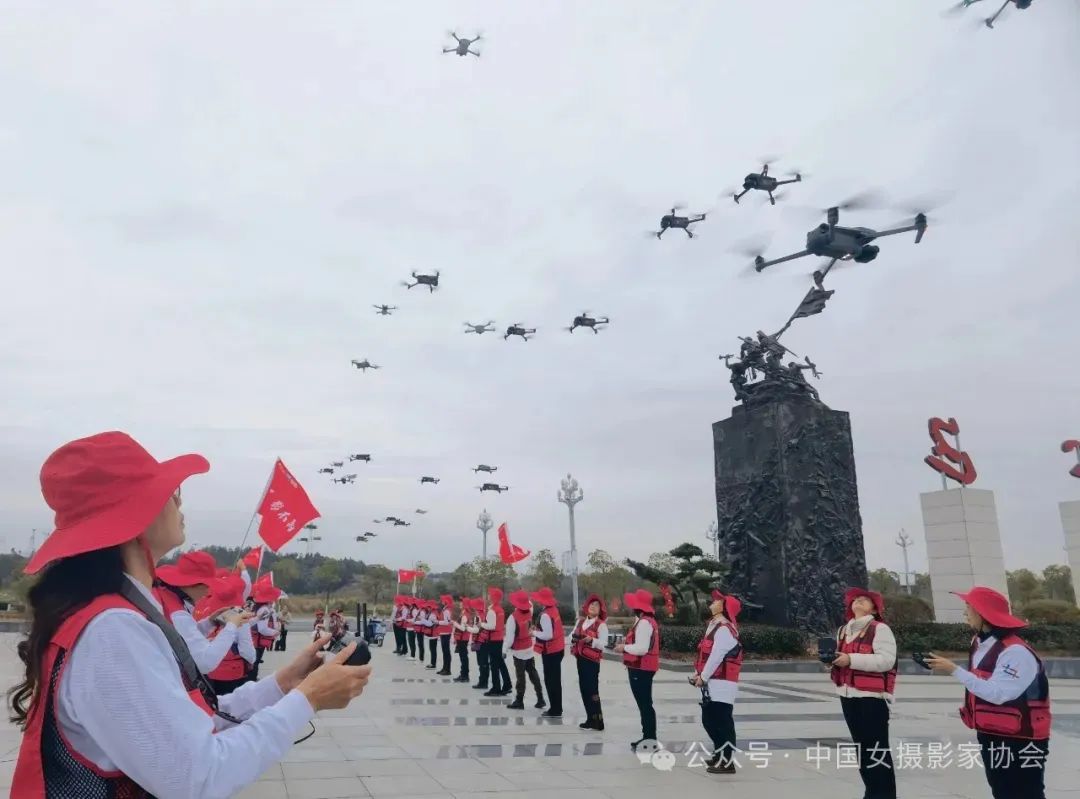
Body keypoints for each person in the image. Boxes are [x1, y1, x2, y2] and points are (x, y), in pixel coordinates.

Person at [7, 431, 372, 798]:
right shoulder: (112, 630)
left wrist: (284, 685)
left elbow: (188, 721)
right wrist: (308, 699)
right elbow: (199, 777)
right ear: (134, 516)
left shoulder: (111, 614)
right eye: (170, 493)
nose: (179, 503)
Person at [926, 587, 1051, 799]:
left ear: (984, 614)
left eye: (969, 608)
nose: (965, 614)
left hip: (1021, 738)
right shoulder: (978, 643)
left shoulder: (1016, 652)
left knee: (1025, 792)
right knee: (1001, 791)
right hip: (991, 732)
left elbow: (998, 693)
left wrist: (954, 670)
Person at [829, 587, 897, 799]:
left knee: (876, 750)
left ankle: (883, 794)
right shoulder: (843, 630)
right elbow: (843, 659)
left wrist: (851, 659)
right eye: (855, 600)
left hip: (872, 698)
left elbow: (886, 660)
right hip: (848, 696)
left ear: (874, 609)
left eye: (864, 600)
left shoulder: (880, 629)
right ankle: (872, 792)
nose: (858, 602)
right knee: (862, 750)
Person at [155, 550, 253, 674]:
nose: (208, 591)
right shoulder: (178, 614)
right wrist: (231, 625)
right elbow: (206, 662)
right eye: (208, 585)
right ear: (194, 584)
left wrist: (210, 622)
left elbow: (180, 636)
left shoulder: (167, 597)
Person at [692, 590, 743, 775]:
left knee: (721, 722)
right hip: (713, 681)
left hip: (723, 684)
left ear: (725, 607)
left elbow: (716, 657)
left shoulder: (724, 629)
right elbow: (705, 656)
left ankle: (727, 761)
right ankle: (719, 753)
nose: (713, 602)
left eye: (717, 601)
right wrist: (698, 674)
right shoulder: (714, 625)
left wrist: (703, 677)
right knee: (710, 720)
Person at [614, 588, 660, 749]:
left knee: (645, 704)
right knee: (645, 703)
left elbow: (641, 648)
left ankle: (649, 738)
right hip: (644, 667)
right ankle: (648, 736)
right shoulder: (646, 621)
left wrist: (624, 647)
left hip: (641, 668)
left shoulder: (645, 623)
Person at [197, 575, 258, 695]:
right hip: (231, 674)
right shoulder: (239, 617)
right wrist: (252, 660)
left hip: (208, 672)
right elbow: (247, 650)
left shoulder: (209, 613)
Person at [571, 593, 608, 730]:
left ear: (600, 610)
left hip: (592, 661)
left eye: (596, 605)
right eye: (591, 604)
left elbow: (603, 644)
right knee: (584, 689)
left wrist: (591, 640)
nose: (593, 607)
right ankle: (589, 719)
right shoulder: (581, 621)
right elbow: (571, 636)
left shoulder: (601, 625)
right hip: (580, 659)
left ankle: (598, 721)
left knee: (592, 691)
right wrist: (574, 639)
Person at [504, 590, 545, 710]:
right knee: (533, 673)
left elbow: (510, 639)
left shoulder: (512, 618)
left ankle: (519, 700)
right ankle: (540, 698)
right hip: (529, 647)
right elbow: (530, 604)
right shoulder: (530, 612)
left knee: (520, 676)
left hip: (519, 651)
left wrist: (504, 649)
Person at [531, 586, 565, 718]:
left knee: (551, 681)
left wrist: (533, 632)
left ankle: (555, 709)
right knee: (555, 680)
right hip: (558, 648)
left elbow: (548, 635)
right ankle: (557, 707)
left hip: (551, 651)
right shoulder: (553, 610)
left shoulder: (545, 614)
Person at [481, 587, 511, 696]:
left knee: (494, 665)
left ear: (493, 597)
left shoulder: (492, 610)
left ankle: (496, 688)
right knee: (500, 663)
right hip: (499, 639)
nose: (488, 596)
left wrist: (481, 625)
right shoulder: (500, 609)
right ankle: (507, 685)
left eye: (490, 595)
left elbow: (491, 626)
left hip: (493, 640)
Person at [250, 582, 281, 678]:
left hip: (254, 640)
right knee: (255, 662)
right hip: (258, 641)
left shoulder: (259, 608)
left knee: (254, 661)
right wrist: (275, 632)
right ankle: (252, 680)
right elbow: (262, 629)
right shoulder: (265, 610)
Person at [469, 597, 490, 690]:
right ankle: (484, 681)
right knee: (484, 662)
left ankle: (482, 682)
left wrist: (467, 628)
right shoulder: (485, 614)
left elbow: (476, 630)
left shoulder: (478, 617)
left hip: (479, 641)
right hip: (485, 641)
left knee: (481, 662)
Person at [451, 596, 473, 683]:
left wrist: (454, 623)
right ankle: (463, 674)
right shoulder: (465, 613)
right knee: (463, 657)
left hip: (463, 639)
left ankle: (464, 675)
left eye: (462, 602)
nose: (460, 603)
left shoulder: (465, 615)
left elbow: (463, 628)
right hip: (462, 638)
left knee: (463, 657)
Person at [436, 595, 454, 675]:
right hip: (444, 632)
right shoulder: (445, 609)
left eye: (443, 600)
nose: (441, 601)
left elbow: (447, 622)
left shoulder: (447, 610)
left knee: (446, 651)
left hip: (446, 632)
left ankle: (447, 669)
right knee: (445, 651)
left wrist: (438, 622)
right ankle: (444, 668)